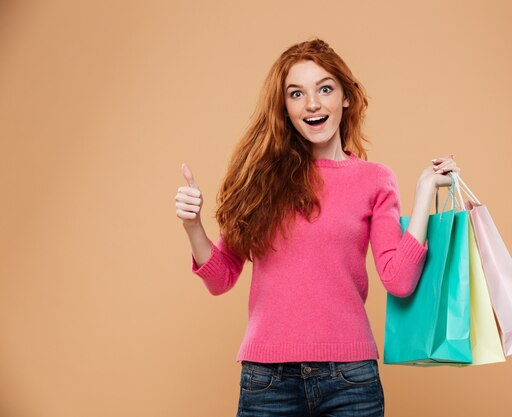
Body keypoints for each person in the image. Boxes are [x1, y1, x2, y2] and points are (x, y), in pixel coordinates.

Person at [175, 38, 460, 417]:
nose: (312, 103)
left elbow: (399, 280)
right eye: (297, 93)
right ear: (285, 108)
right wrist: (193, 226)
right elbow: (220, 278)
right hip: (267, 383)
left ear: (345, 97)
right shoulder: (261, 181)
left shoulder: (375, 180)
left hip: (350, 381)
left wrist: (424, 194)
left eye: (325, 88)